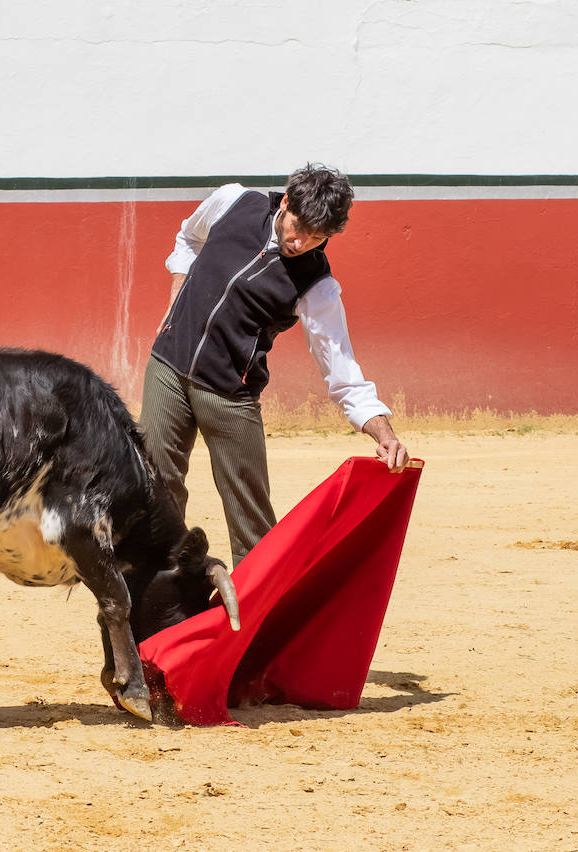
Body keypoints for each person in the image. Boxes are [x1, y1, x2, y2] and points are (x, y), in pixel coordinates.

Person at [140, 163, 408, 566]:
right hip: (167, 367)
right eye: (298, 227)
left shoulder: (317, 284)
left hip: (229, 394)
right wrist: (177, 294)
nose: (301, 243)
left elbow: (340, 368)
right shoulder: (234, 201)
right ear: (285, 202)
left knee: (251, 521)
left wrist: (381, 431)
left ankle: (259, 619)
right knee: (155, 488)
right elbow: (187, 238)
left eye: (318, 237)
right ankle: (166, 599)